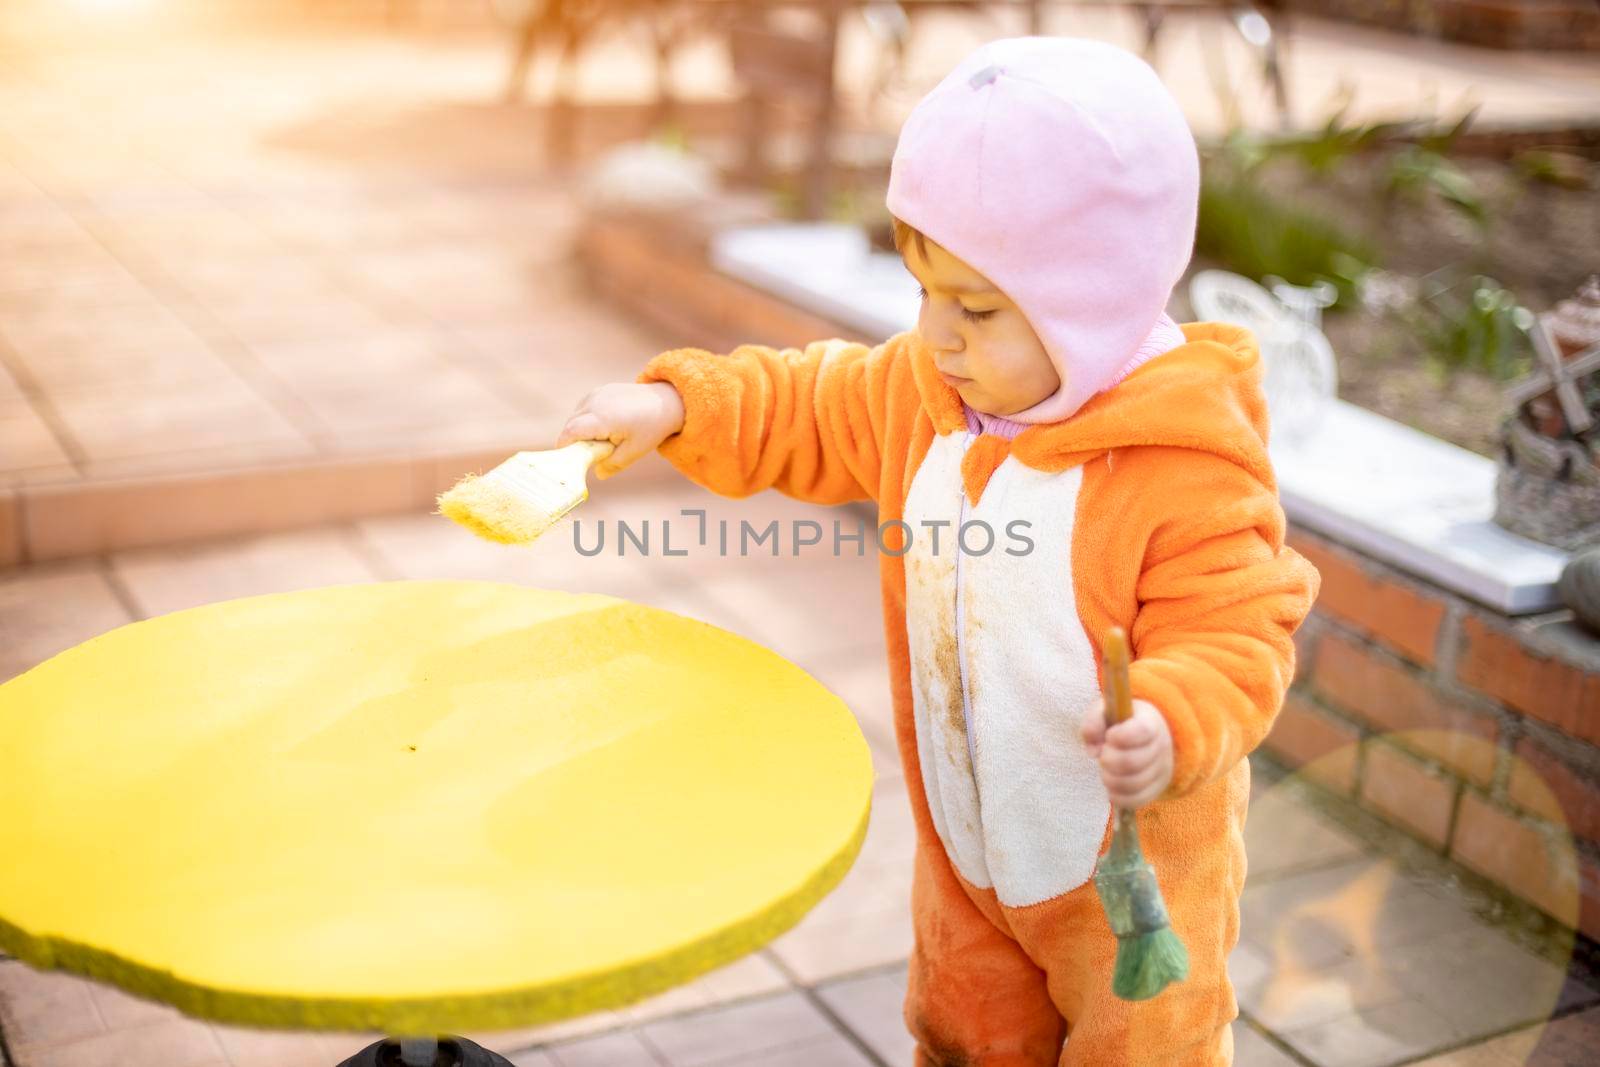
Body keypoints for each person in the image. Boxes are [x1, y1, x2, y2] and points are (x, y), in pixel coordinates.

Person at [555, 36, 1320, 1066]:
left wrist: (1173, 714)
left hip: (1129, 887)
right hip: (968, 850)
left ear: (1087, 300)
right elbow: (806, 400)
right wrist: (675, 401)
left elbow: (1238, 623)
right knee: (965, 1033)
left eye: (976, 307)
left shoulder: (1181, 463)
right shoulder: (928, 397)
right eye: (924, 290)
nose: (937, 335)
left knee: (1141, 1049)